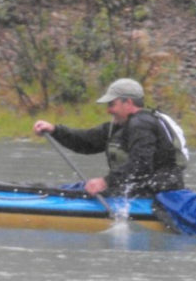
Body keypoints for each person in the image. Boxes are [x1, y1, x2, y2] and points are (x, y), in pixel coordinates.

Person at [33, 78, 185, 197]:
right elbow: (86, 142)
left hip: (157, 193)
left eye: (112, 104)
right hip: (140, 190)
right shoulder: (121, 125)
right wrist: (54, 130)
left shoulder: (142, 125)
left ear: (129, 102)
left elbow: (141, 166)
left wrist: (105, 182)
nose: (108, 110)